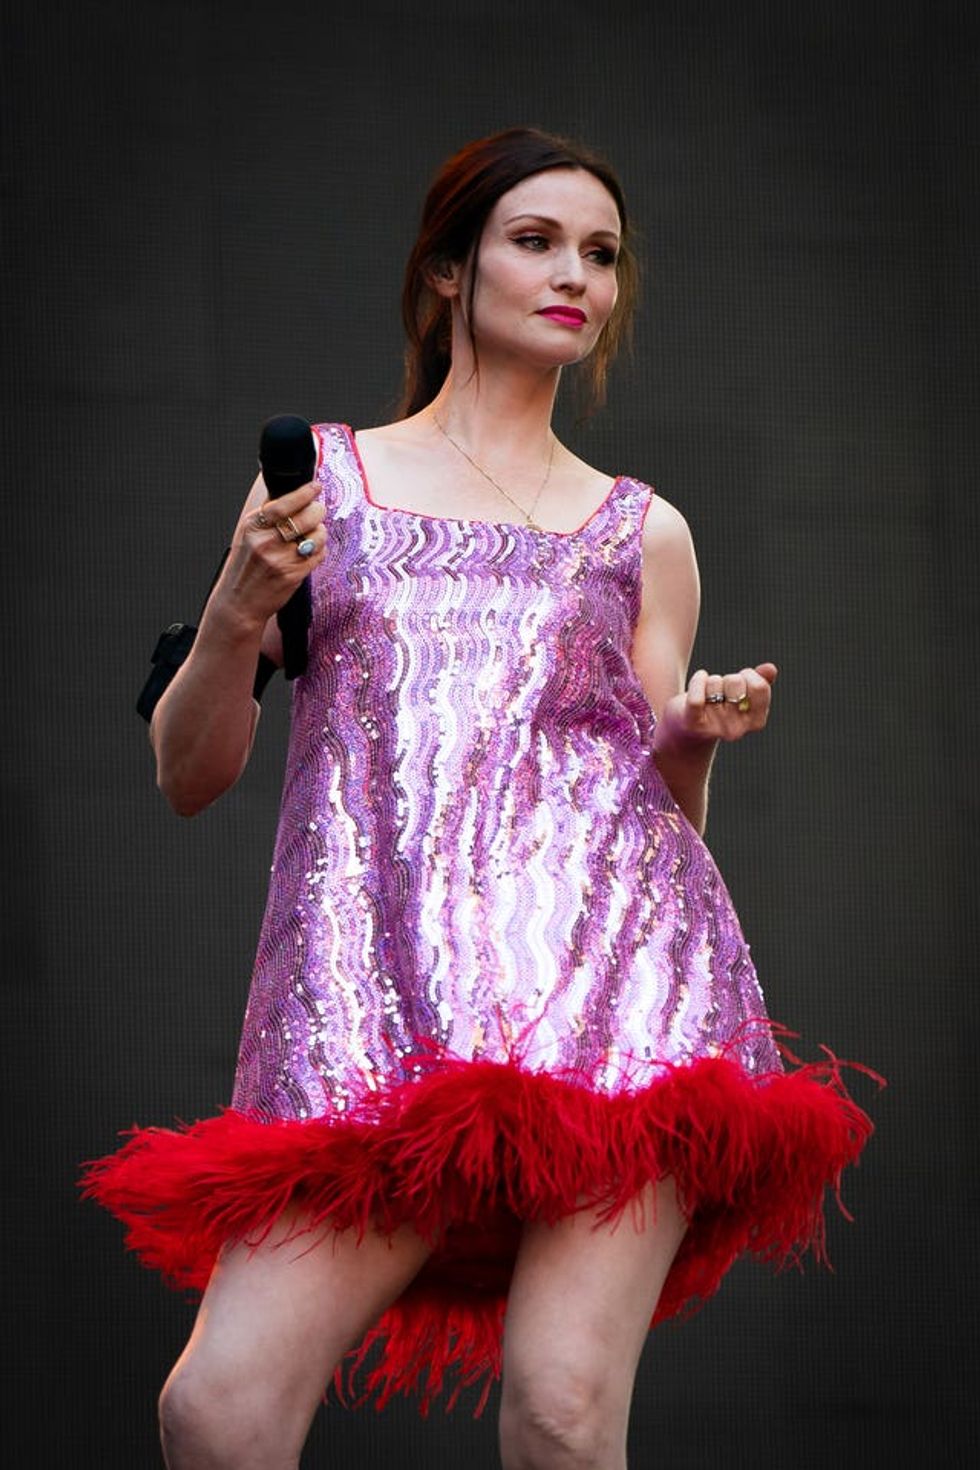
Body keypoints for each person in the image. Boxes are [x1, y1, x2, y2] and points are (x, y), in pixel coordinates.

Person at [83, 128, 875, 1470]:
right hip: (386, 1024)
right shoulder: (324, 485)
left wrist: (691, 735)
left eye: (603, 253)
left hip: (614, 1005)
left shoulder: (645, 529)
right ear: (448, 269)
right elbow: (187, 774)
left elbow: (668, 827)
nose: (577, 273)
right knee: (215, 1409)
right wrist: (235, 609)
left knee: (564, 1411)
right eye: (537, 239)